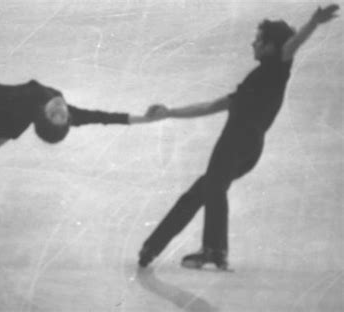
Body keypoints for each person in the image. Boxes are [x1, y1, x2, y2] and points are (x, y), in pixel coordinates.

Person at [138, 4, 339, 269]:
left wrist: (313, 23)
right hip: (247, 148)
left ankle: (214, 250)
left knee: (211, 190)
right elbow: (211, 106)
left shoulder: (276, 68)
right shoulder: (256, 80)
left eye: (258, 40)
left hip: (236, 144)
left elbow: (291, 45)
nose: (252, 44)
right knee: (200, 193)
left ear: (270, 47)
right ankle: (153, 247)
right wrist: (170, 112)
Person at [0, 78, 159, 220]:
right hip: (8, 106)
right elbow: (105, 117)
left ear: (45, 116)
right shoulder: (67, 113)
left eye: (55, 113)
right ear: (67, 119)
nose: (60, 108)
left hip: (3, 119)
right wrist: (145, 119)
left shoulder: (24, 104)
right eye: (62, 114)